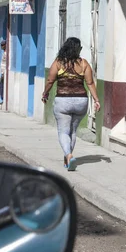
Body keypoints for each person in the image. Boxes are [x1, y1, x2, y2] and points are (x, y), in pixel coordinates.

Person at [42, 37, 100, 171]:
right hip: (81, 101)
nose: (80, 50)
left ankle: (68, 155)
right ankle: (67, 159)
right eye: (79, 48)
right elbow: (90, 83)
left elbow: (50, 81)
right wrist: (96, 100)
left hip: (63, 101)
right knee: (73, 131)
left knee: (63, 131)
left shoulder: (58, 63)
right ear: (76, 49)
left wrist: (45, 93)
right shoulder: (84, 63)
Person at [0, 40, 6, 107]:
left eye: (2, 45)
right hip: (2, 72)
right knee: (1, 85)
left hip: (4, 73)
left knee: (1, 86)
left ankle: (3, 99)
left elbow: (6, 64)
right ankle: (2, 99)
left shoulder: (6, 53)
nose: (1, 46)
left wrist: (3, 74)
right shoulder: (4, 52)